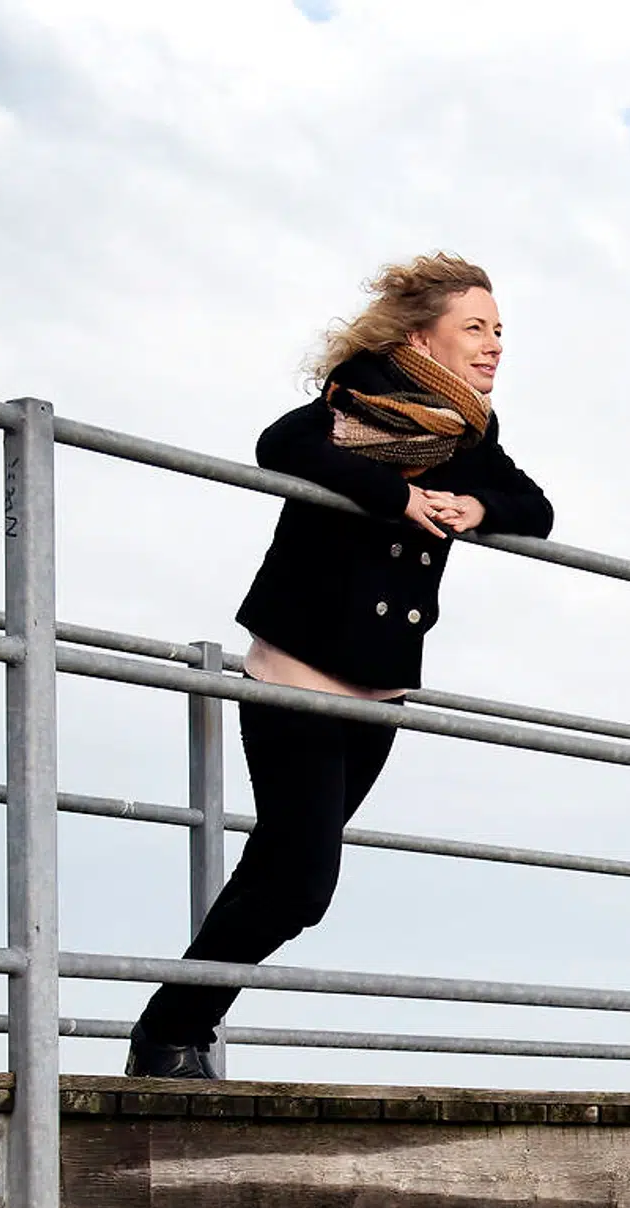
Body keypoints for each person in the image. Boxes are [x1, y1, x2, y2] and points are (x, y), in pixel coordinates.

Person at [126, 253, 554, 1078]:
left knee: (278, 870)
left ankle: (175, 1038)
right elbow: (279, 446)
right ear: (419, 335)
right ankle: (168, 1033)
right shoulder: (352, 400)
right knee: (299, 883)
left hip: (380, 685)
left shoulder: (469, 433)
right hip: (300, 672)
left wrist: (476, 506)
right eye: (475, 328)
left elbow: (536, 508)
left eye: (500, 330)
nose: (494, 344)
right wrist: (395, 496)